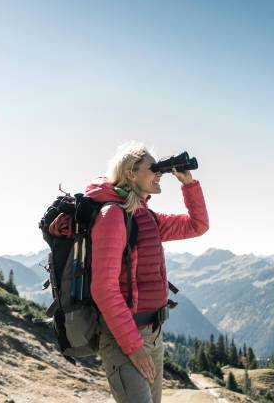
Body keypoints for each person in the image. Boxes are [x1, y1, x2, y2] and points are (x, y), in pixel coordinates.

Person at [85, 141, 209, 403]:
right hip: (126, 336)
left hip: (153, 333)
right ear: (131, 173)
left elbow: (198, 225)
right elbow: (103, 288)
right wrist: (134, 347)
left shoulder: (147, 217)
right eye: (153, 169)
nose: (159, 174)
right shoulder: (113, 216)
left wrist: (188, 184)